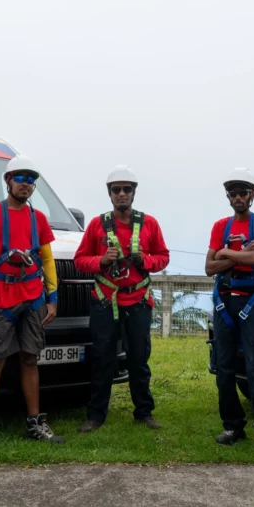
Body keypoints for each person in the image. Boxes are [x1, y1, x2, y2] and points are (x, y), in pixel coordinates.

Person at [0, 156, 64, 457]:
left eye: (31, 180)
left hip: (33, 299)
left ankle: (35, 423)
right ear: (8, 181)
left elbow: (47, 259)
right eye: (20, 178)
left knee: (30, 359)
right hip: (1, 300)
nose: (26, 184)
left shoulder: (38, 219)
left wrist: (53, 299)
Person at [73, 165, 170, 432]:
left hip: (138, 301)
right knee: (102, 358)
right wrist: (101, 260)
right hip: (106, 301)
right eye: (116, 190)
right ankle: (96, 415)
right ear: (110, 194)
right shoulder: (97, 225)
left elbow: (163, 256)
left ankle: (144, 412)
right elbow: (80, 260)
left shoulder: (149, 224)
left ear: (134, 192)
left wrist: (145, 260)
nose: (122, 194)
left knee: (139, 359)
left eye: (127, 189)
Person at [206, 168, 254, 454]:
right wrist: (243, 254)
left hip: (251, 302)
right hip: (224, 302)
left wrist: (226, 252)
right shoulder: (220, 226)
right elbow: (209, 267)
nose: (238, 197)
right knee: (224, 367)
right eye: (233, 193)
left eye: (243, 192)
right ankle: (233, 426)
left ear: (252, 194)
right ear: (228, 197)